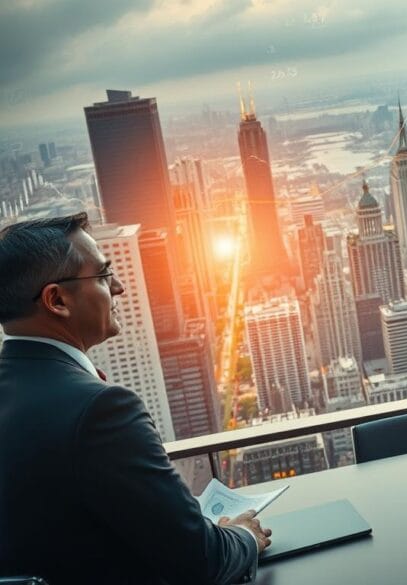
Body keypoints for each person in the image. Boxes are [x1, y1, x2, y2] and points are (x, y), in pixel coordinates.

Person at [0, 213, 271, 584]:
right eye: (103, 275)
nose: (120, 287)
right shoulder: (99, 409)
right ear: (57, 300)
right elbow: (202, 561)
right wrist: (244, 537)